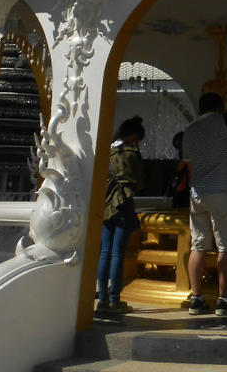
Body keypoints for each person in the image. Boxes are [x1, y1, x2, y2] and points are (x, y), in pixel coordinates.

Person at [181, 91, 227, 317]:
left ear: (200, 108)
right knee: (226, 247)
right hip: (222, 190)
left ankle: (196, 299)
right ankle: (225, 299)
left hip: (197, 194)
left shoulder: (190, 129)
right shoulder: (226, 120)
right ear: (221, 106)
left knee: (198, 246)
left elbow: (189, 166)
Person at [96, 115, 145, 316]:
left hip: (105, 205)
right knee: (117, 253)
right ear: (133, 136)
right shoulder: (131, 152)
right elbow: (140, 180)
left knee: (105, 252)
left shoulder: (105, 150)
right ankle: (114, 298)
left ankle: (102, 299)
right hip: (124, 203)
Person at [169, 131, 190, 208]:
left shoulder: (188, 157)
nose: (180, 149)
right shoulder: (183, 157)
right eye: (177, 147)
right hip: (182, 192)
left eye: (180, 146)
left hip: (186, 192)